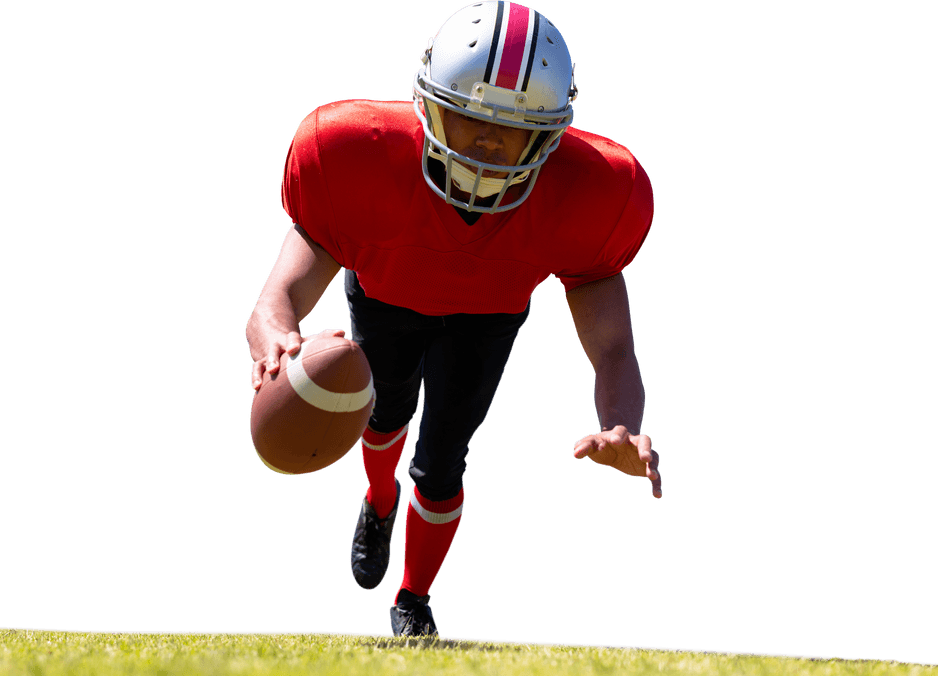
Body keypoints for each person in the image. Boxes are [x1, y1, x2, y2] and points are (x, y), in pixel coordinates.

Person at [245, 0, 661, 637]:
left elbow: (612, 343)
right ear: (429, 105)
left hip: (485, 320)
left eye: (511, 128)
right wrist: (275, 338)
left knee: (444, 460)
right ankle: (379, 504)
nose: (489, 141)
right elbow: (278, 294)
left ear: (549, 135)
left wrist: (622, 423)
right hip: (387, 298)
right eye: (468, 118)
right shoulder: (355, 154)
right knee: (380, 415)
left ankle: (412, 599)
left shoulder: (596, 190)